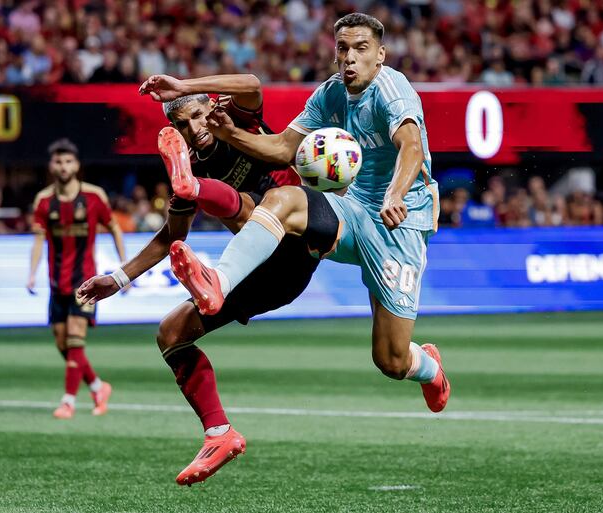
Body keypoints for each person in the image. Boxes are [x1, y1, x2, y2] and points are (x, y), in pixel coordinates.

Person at [169, 13, 450, 428]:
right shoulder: (331, 93)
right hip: (353, 210)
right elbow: (283, 148)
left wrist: (394, 194)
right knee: (282, 198)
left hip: (399, 225)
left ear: (380, 55)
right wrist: (229, 133)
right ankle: (219, 281)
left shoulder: (394, 90)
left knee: (390, 359)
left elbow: (410, 146)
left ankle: (430, 369)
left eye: (361, 49)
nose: (349, 59)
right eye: (342, 49)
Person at [77, 73, 334, 486]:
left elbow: (251, 83)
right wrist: (119, 277)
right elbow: (172, 237)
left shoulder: (236, 119)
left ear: (212, 106)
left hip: (299, 235)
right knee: (170, 333)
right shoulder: (191, 164)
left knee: (256, 208)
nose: (194, 129)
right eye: (182, 124)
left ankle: (207, 236)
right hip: (270, 276)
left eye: (197, 115)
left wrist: (180, 86)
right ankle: (219, 433)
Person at [27, 138, 126, 419]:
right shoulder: (44, 201)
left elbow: (115, 228)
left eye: (68, 161)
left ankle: (68, 401)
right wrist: (32, 274)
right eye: (58, 161)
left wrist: (124, 268)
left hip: (86, 285)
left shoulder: (94, 197)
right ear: (51, 166)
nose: (63, 166)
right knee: (63, 344)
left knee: (75, 340)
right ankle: (98, 386)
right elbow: (38, 241)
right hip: (57, 283)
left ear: (77, 165)